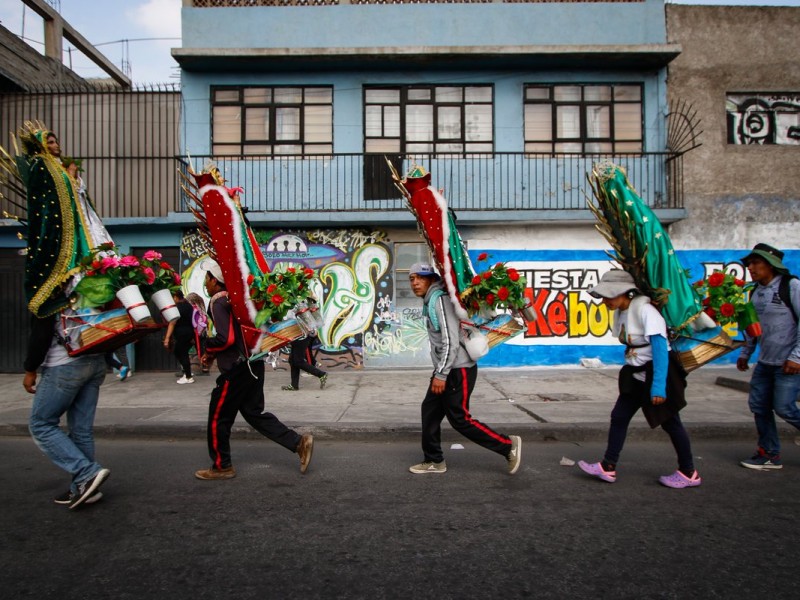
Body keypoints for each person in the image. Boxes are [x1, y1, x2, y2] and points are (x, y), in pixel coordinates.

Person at [577, 270, 701, 489]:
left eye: (608, 296)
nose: (604, 301)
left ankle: (689, 472)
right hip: (635, 375)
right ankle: (608, 465)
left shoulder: (646, 311)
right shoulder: (624, 311)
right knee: (619, 416)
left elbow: (660, 349)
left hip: (656, 374)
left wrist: (658, 388)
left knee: (671, 423)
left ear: (625, 293)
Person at [196, 259, 313, 480]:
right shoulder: (236, 300)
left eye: (207, 278)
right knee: (253, 413)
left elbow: (226, 338)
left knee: (218, 417)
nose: (206, 283)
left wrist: (206, 345)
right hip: (253, 363)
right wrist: (212, 354)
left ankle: (222, 466)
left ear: (214, 280)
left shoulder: (217, 301)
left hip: (236, 370)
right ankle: (298, 443)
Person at [407, 262, 521, 475]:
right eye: (412, 279)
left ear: (431, 279)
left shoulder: (439, 299)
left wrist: (441, 374)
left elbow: (450, 339)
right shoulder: (431, 300)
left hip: (457, 369)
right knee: (430, 412)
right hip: (447, 368)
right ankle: (434, 460)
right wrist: (440, 372)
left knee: (460, 419)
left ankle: (507, 445)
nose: (415, 283)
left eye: (420, 277)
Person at [24, 305, 111, 509]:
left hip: (64, 365)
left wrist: (30, 369)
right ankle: (83, 487)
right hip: (95, 362)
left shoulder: (51, 293)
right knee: (81, 430)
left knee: (41, 424)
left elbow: (41, 334)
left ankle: (86, 473)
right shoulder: (90, 285)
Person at [736, 243, 800, 470]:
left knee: (784, 407)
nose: (751, 268)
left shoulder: (791, 286)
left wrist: (797, 357)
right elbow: (752, 326)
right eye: (749, 264)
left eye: (756, 263)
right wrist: (746, 352)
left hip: (788, 363)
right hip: (765, 362)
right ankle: (769, 454)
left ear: (771, 265)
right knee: (759, 406)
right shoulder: (756, 292)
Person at [282, 318, 328, 391]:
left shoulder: (294, 307)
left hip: (301, 337)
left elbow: (301, 319)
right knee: (292, 360)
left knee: (298, 361)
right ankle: (294, 385)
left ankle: (321, 374)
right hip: (297, 336)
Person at [163, 290, 195, 384]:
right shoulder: (188, 306)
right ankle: (187, 371)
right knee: (178, 351)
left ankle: (188, 377)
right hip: (189, 332)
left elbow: (172, 323)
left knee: (182, 353)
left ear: (176, 297)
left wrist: (167, 338)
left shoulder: (176, 308)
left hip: (182, 333)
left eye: (173, 298)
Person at [186, 292, 211, 375]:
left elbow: (192, 321)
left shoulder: (192, 308)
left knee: (184, 349)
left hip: (195, 331)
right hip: (203, 331)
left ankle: (185, 368)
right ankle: (205, 367)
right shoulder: (201, 305)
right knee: (202, 349)